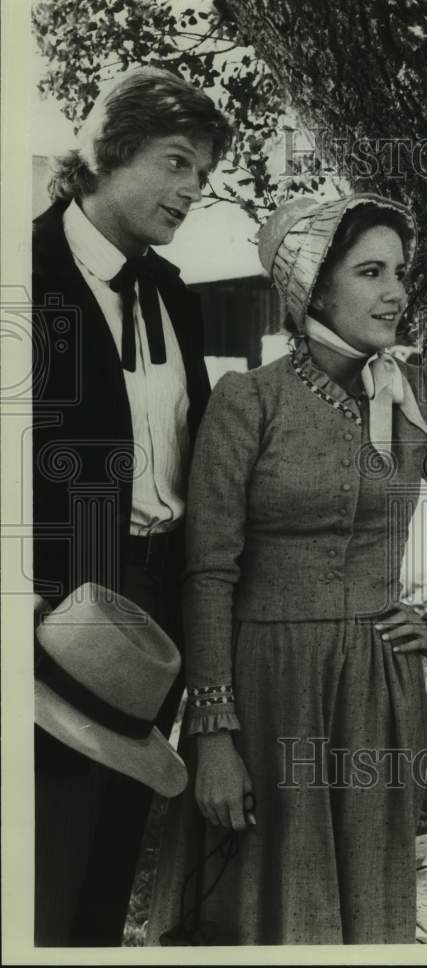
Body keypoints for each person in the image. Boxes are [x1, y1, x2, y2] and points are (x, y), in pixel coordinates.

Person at [147, 193, 427, 945]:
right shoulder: (250, 400)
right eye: (370, 271)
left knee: (365, 898)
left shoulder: (426, 394)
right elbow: (208, 571)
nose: (395, 292)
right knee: (254, 893)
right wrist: (213, 733)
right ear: (312, 286)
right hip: (263, 682)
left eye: (398, 272)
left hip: (376, 686)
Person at [32, 65, 232, 946]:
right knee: (41, 858)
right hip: (55, 609)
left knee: (113, 853)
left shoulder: (176, 297)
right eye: (177, 163)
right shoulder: (18, 274)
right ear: (108, 152)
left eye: (203, 175)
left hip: (155, 613)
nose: (192, 191)